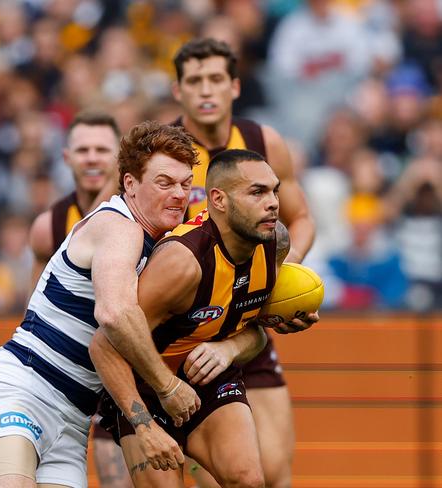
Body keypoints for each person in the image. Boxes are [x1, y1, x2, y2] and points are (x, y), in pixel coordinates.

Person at [0, 121, 201, 488]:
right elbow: (114, 314)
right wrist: (166, 389)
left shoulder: (162, 245)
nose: (179, 195)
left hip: (73, 419)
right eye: (165, 183)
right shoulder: (120, 226)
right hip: (21, 389)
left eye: (185, 184)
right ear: (131, 184)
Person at [90, 149, 317, 487]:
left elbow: (254, 333)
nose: (272, 203)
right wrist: (146, 421)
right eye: (257, 192)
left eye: (274, 190)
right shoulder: (181, 264)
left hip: (209, 379)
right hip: (147, 386)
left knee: (249, 480)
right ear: (218, 200)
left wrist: (229, 349)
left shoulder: (275, 245)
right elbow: (103, 346)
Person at [170, 39, 316, 488]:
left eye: (215, 79)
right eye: (194, 81)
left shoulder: (262, 141)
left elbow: (302, 219)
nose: (206, 90)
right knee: (222, 475)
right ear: (178, 92)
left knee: (273, 473)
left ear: (235, 86)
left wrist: (278, 277)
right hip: (190, 330)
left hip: (247, 322)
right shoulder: (165, 151)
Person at [28, 110, 133, 487]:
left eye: (102, 149)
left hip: (134, 361)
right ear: (66, 157)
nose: (92, 158)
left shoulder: (142, 213)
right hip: (74, 370)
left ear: (120, 157)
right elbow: (35, 311)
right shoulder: (49, 226)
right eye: (83, 149)